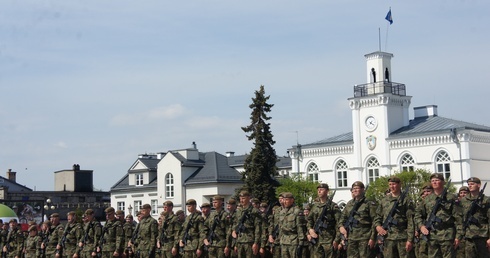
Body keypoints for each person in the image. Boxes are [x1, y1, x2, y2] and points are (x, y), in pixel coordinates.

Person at [415, 173, 462, 258]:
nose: (434, 182)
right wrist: (421, 226)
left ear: (443, 182)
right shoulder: (428, 199)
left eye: (437, 180)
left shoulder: (451, 198)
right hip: (432, 236)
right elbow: (418, 214)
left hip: (447, 235)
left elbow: (459, 218)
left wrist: (458, 237)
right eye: (432, 181)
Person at [374, 176, 415, 258]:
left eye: (394, 184)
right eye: (390, 184)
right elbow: (377, 216)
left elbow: (411, 220)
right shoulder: (384, 200)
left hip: (402, 237)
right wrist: (378, 227)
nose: (392, 186)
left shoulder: (406, 200)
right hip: (388, 238)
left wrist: (410, 239)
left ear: (399, 185)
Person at [339, 181, 377, 258]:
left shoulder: (369, 203)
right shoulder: (349, 204)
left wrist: (372, 238)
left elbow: (375, 221)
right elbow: (342, 219)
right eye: (353, 189)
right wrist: (341, 227)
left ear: (363, 190)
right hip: (351, 237)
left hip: (365, 237)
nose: (355, 190)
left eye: (357, 188)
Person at [307, 183, 341, 258]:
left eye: (321, 190)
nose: (319, 191)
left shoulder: (333, 206)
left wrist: (337, 239)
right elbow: (309, 220)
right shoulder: (315, 206)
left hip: (329, 239)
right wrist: (310, 230)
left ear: (327, 191)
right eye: (318, 190)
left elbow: (339, 223)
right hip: (316, 239)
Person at [459, 177, 490, 257]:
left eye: (472, 184)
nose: (470, 186)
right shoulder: (463, 200)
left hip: (482, 236)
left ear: (479, 185)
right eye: (468, 184)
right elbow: (459, 218)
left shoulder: (486, 200)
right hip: (468, 236)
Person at [232, 191, 262, 258]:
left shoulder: (254, 211)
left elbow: (258, 228)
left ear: (249, 198)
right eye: (240, 198)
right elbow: (236, 226)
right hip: (240, 241)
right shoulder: (238, 211)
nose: (241, 200)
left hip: (250, 241)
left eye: (243, 198)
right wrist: (236, 244)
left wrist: (256, 243)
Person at [278, 192, 306, 258]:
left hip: (294, 241)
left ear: (292, 200)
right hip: (284, 241)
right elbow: (280, 228)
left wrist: (301, 242)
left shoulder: (297, 212)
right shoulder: (282, 212)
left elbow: (300, 228)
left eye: (286, 200)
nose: (284, 202)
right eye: (284, 200)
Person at [415, 183, 433, 258]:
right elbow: (417, 217)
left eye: (428, 191)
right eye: (424, 192)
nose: (426, 194)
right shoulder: (421, 204)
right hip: (424, 233)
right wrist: (418, 229)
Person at [268, 193, 284, 258]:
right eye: (279, 199)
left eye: (282, 199)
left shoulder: (293, 210)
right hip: (276, 238)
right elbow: (272, 224)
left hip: (287, 240)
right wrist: (270, 235)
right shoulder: (277, 210)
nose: (280, 200)